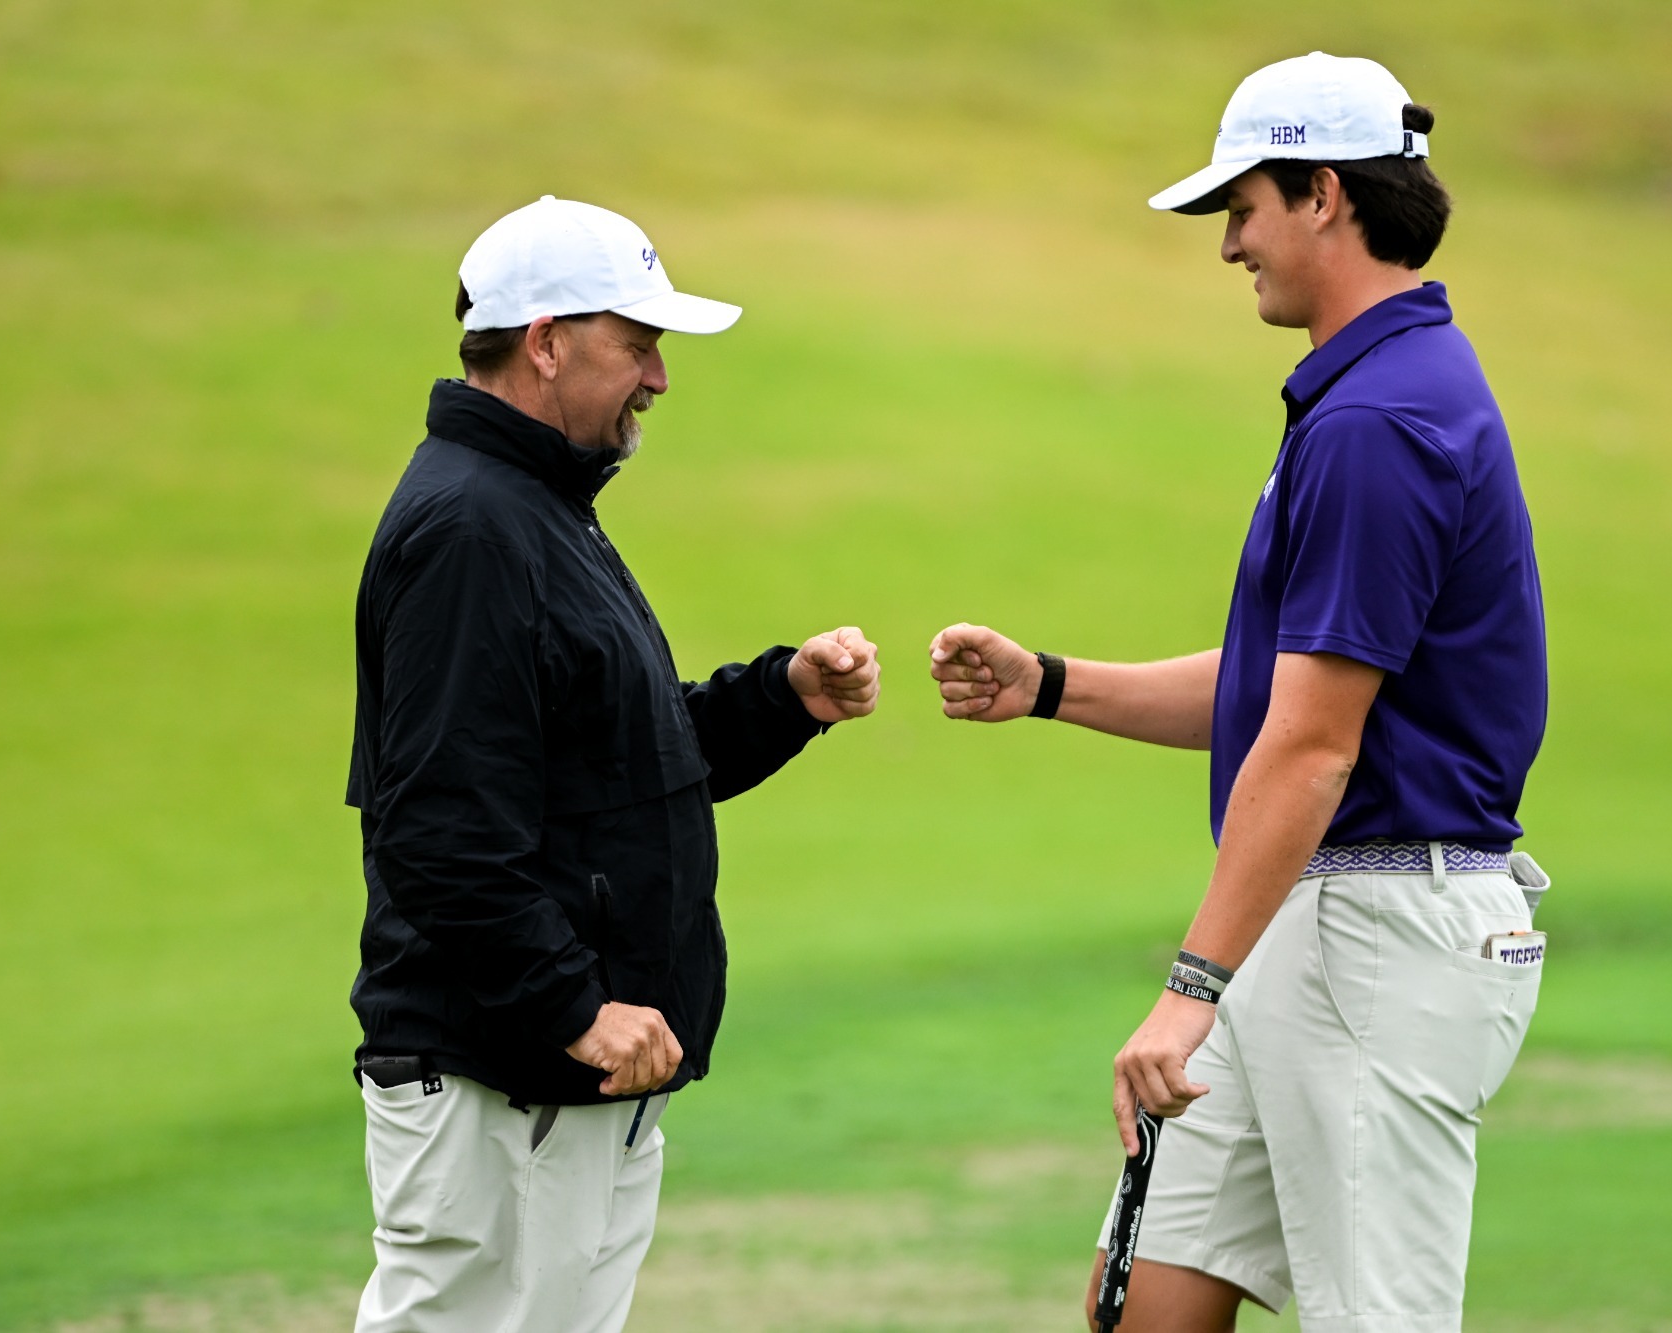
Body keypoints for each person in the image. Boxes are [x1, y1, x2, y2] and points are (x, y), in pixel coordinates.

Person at [929, 53, 1551, 1333]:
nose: (1227, 246)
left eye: (1242, 206)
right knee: (1142, 1303)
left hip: (1378, 932)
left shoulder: (1379, 420)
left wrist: (1188, 987)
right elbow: (1284, 688)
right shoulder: (1361, 399)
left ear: (1323, 193)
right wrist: (1050, 685)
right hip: (1314, 922)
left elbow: (1313, 747)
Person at [345, 195, 881, 1333]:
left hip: (555, 1082)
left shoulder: (534, 510)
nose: (658, 378)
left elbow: (619, 758)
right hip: (508, 1076)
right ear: (545, 341)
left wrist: (781, 699)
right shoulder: (475, 530)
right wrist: (575, 1005)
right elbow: (438, 827)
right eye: (636, 345)